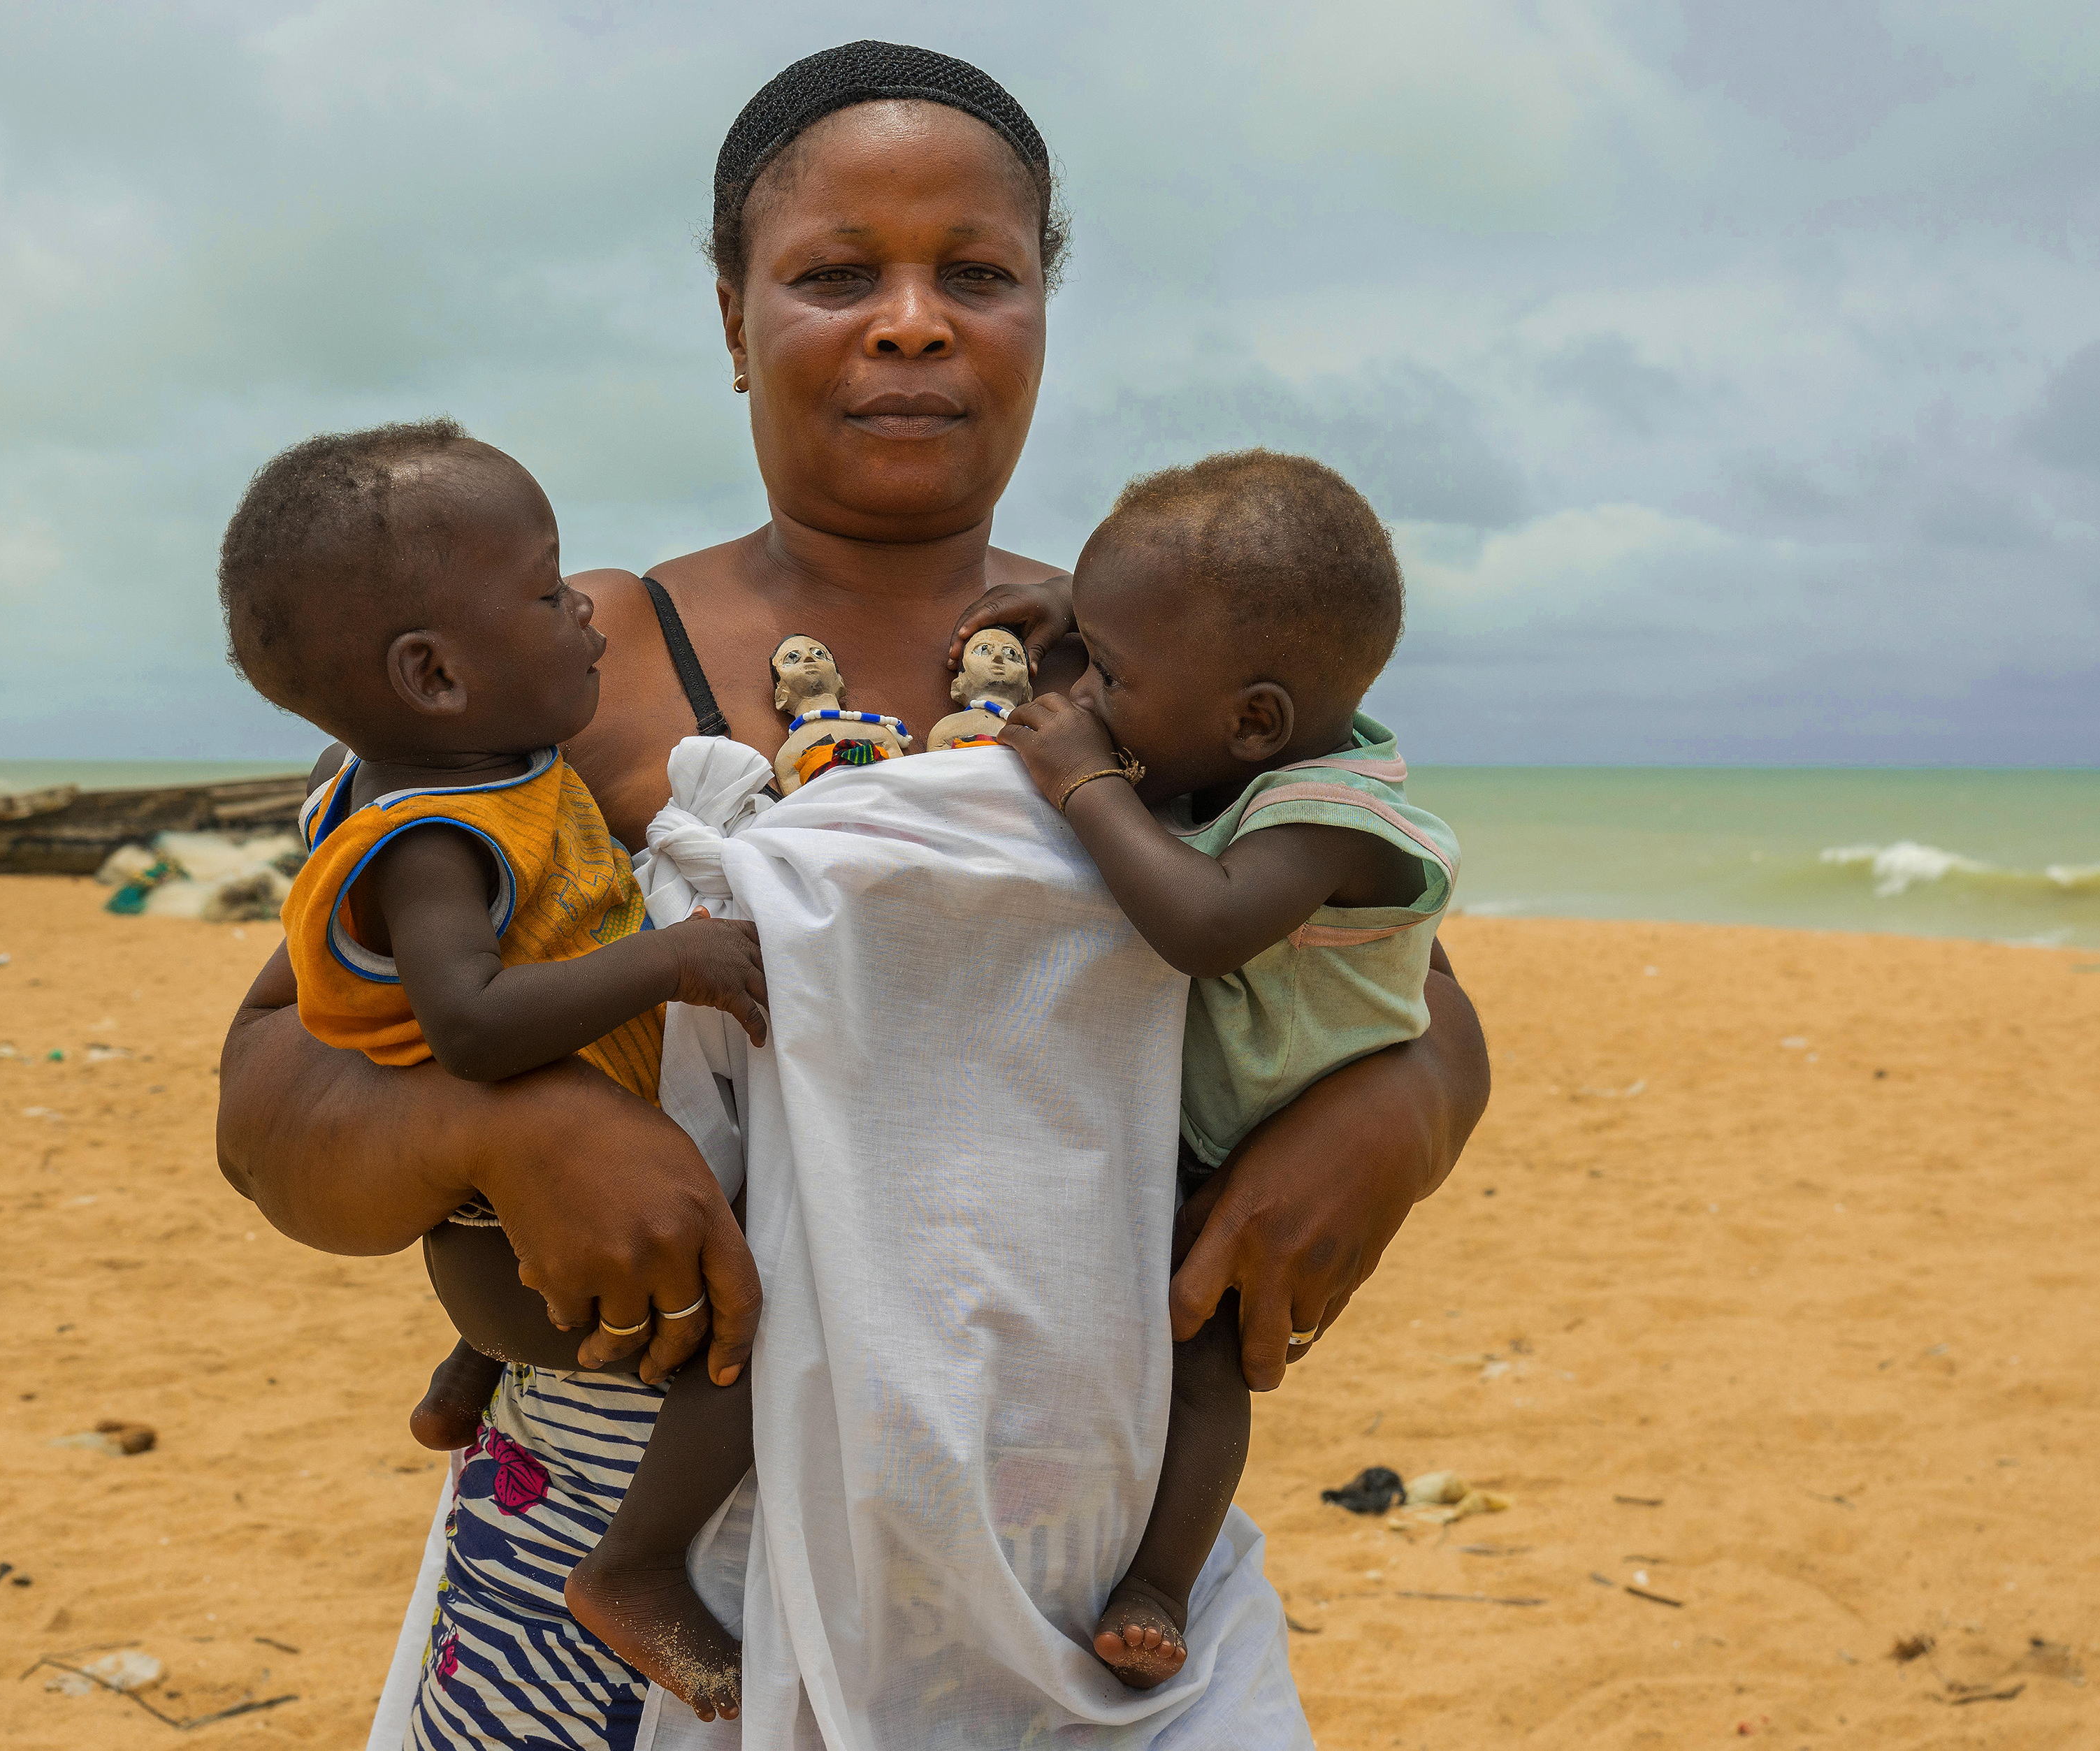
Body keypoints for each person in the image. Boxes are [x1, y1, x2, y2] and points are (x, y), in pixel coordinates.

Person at [215, 40, 1490, 1750]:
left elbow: (1386, 968)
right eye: (832, 275)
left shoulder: (1176, 651)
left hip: (1066, 1557)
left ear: (1041, 309)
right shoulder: (554, 667)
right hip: (628, 1544)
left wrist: (1395, 1117)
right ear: (731, 318)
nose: (910, 321)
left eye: (977, 271)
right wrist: (502, 1135)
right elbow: (274, 1091)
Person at [215, 419, 773, 1722]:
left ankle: (475, 1363)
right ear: (436, 676)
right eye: (547, 590)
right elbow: (464, 1027)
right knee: (766, 1332)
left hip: (515, 1251)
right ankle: (631, 1568)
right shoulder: (430, 835)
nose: (585, 607)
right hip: (510, 1238)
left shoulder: (505, 772)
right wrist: (671, 963)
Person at [995, 449, 1458, 1687]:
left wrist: (1086, 782)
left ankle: (1157, 1579)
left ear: (1253, 717)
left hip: (1255, 1149)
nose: (1083, 689)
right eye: (1085, 652)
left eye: (1110, 672)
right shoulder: (1243, 731)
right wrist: (1074, 613)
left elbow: (1199, 926)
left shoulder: (1331, 816)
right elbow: (1176, 660)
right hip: (1194, 1120)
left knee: (1206, 1358)